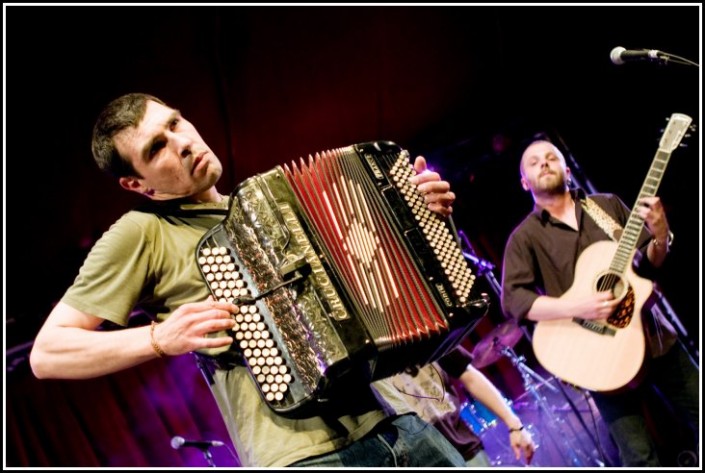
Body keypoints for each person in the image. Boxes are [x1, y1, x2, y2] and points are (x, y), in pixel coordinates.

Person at [29, 92, 468, 467]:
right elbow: (48, 353)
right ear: (137, 184)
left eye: (176, 124)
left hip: (389, 419)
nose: (182, 143)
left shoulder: (262, 208)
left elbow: (368, 278)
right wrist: (160, 337)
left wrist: (413, 214)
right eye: (157, 147)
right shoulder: (139, 233)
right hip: (300, 454)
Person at [500, 138, 699, 467]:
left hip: (654, 341)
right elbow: (514, 300)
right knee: (639, 457)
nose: (545, 163)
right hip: (599, 358)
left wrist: (661, 236)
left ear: (566, 168)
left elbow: (647, 265)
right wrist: (578, 307)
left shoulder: (606, 205)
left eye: (551, 158)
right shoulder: (524, 238)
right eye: (534, 162)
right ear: (524, 182)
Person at [379, 344, 536, 467]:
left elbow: (467, 373)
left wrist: (515, 425)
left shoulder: (423, 325)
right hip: (414, 459)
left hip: (463, 449)